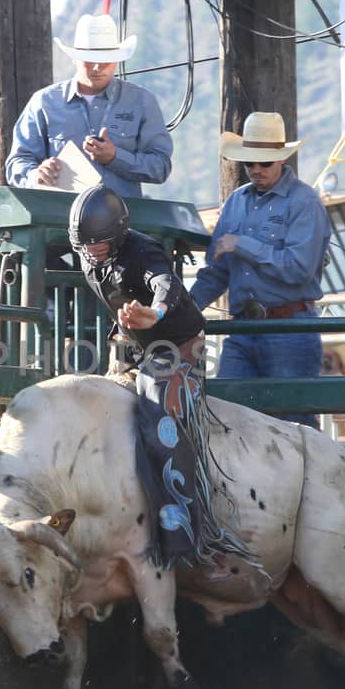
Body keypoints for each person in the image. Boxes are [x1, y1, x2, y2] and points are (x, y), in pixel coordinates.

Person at [69, 187, 255, 575]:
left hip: (176, 341)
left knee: (160, 419)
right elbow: (116, 303)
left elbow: (164, 283)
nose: (91, 252)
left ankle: (189, 536)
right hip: (132, 341)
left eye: (99, 244)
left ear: (117, 235)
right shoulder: (90, 257)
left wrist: (154, 313)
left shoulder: (144, 250)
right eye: (84, 245)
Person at [189, 112, 331, 429]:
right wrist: (182, 309)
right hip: (242, 329)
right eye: (249, 162)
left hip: (288, 328)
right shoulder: (236, 201)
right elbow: (216, 272)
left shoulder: (304, 202)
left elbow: (298, 270)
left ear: (281, 161)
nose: (256, 169)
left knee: (295, 428)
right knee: (225, 419)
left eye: (264, 163)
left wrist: (243, 244)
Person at [5, 14, 173, 197]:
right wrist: (36, 174)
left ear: (117, 60)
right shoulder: (44, 102)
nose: (96, 67)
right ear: (74, 59)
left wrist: (115, 158)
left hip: (123, 219)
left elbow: (160, 167)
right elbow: (17, 162)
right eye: (89, 59)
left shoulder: (141, 101)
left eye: (105, 60)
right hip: (59, 219)